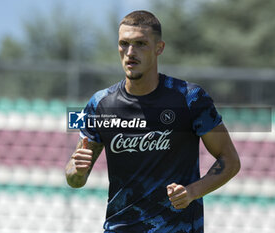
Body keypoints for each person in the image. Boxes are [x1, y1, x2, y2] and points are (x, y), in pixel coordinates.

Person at [65, 10, 240, 233]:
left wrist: (192, 192)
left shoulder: (190, 98)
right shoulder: (101, 104)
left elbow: (230, 161)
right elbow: (74, 178)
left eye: (140, 43)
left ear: (159, 48)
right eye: (124, 43)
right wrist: (76, 172)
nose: (130, 52)